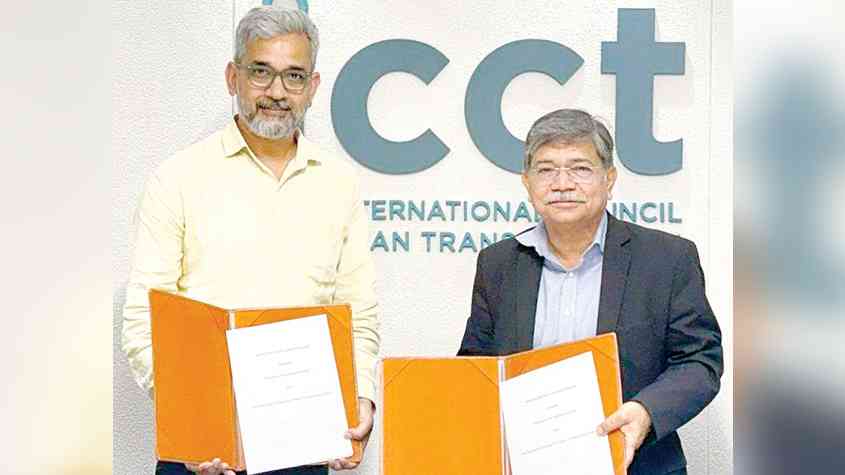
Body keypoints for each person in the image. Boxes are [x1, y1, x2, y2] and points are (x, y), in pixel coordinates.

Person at [121, 6, 379, 475]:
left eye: (293, 76)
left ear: (312, 87)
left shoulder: (339, 184)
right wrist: (190, 416)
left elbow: (358, 312)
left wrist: (361, 396)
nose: (277, 92)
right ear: (232, 77)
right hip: (202, 449)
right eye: (261, 72)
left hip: (303, 446)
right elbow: (144, 320)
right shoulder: (177, 178)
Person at [458, 109, 722, 475]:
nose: (562, 183)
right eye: (546, 170)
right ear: (526, 182)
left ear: (609, 179)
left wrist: (645, 412)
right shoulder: (498, 264)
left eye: (580, 168)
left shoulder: (667, 258)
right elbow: (475, 367)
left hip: (637, 465)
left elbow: (699, 361)